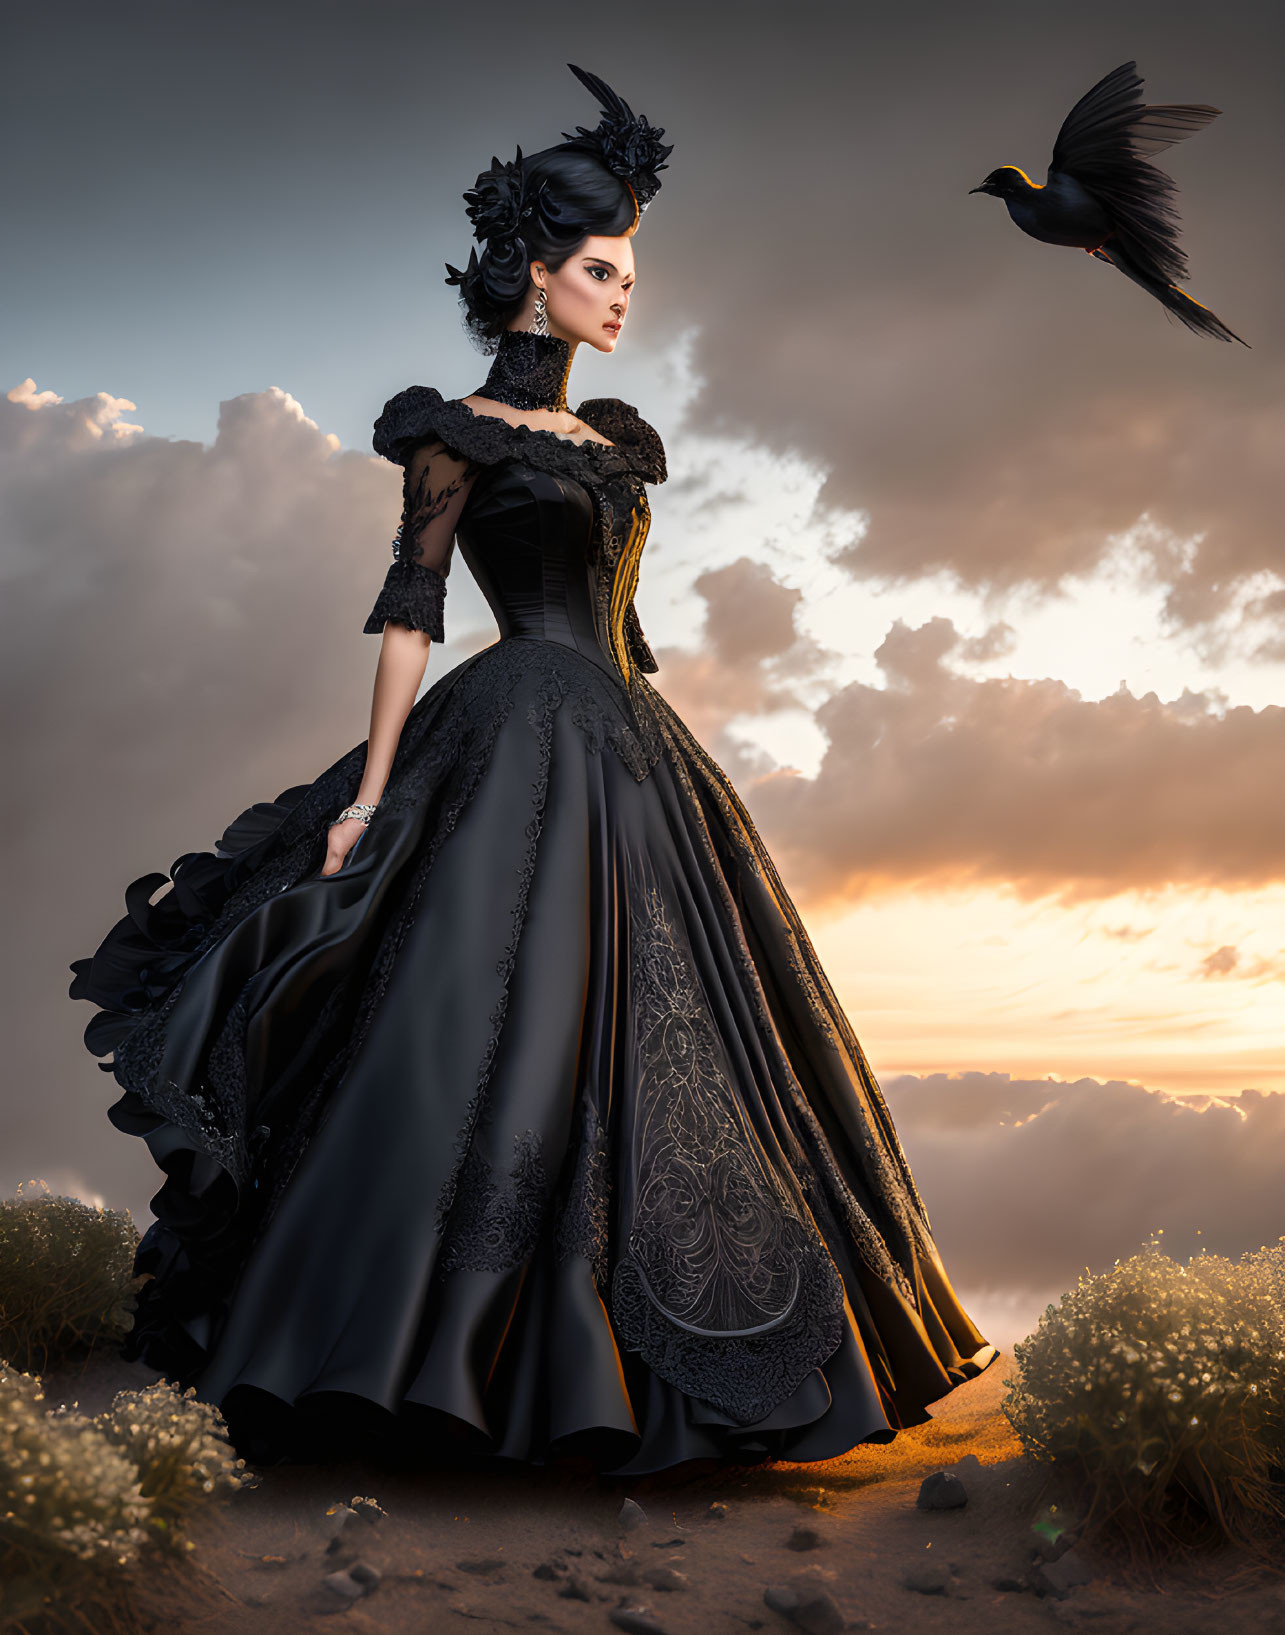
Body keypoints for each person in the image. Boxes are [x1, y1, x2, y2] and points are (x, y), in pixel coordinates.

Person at [69, 63, 996, 1474]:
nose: (625, 297)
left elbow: (627, 634)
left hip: (632, 755)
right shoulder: (453, 433)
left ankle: (653, 1380)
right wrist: (370, 799)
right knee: (466, 1024)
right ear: (535, 275)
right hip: (504, 734)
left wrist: (653, 745)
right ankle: (423, 1371)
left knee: (682, 1049)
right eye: (604, 270)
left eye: (630, 274)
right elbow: (407, 613)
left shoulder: (615, 447)